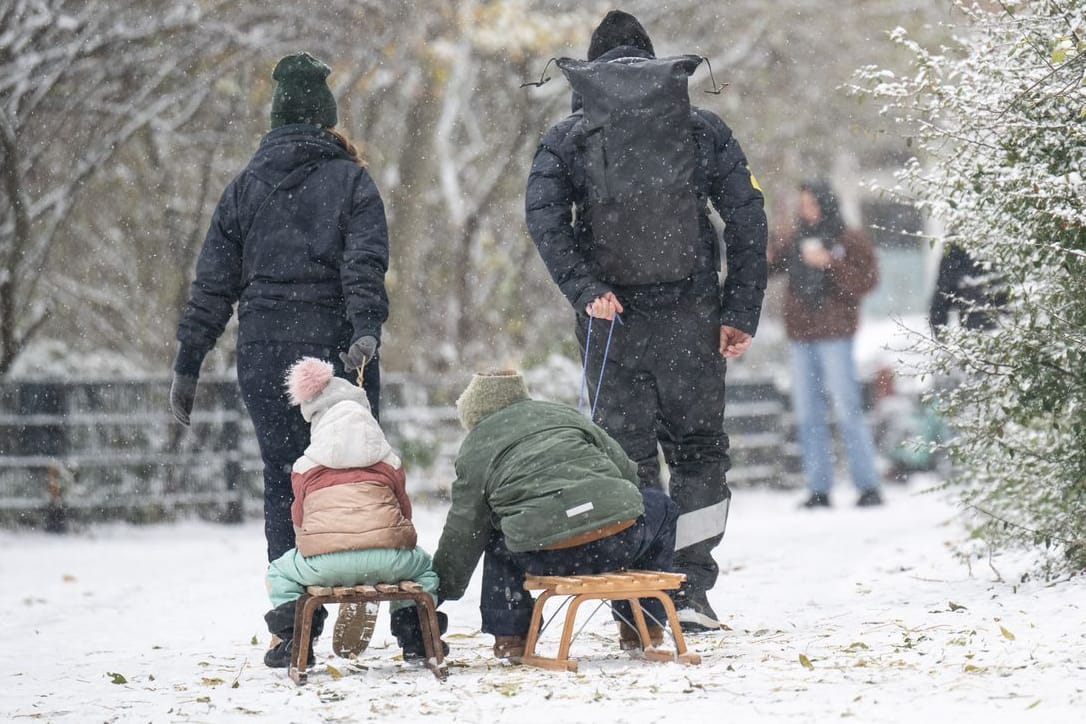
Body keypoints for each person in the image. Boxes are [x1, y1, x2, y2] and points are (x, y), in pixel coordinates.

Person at [524, 10, 767, 633]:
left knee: (623, 457)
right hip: (693, 317)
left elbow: (545, 218)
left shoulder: (568, 136)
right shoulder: (701, 128)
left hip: (613, 321)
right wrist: (738, 310)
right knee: (698, 450)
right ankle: (689, 587)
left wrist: (586, 289)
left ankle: (637, 600)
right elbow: (745, 218)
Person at [168, 51, 389, 563]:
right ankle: (360, 582)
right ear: (326, 118)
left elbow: (213, 286)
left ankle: (290, 624)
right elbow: (365, 264)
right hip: (338, 348)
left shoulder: (244, 189)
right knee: (354, 471)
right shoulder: (353, 182)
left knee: (284, 478)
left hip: (266, 351)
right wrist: (365, 328)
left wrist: (188, 361)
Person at [432, 370, 680, 659]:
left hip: (545, 554)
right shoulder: (561, 414)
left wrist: (441, 588)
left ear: (474, 416)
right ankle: (642, 623)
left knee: (497, 534)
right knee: (662, 507)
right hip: (619, 540)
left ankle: (511, 634)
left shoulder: (475, 446)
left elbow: (465, 530)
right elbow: (628, 472)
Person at [263, 357, 444, 668]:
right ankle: (415, 636)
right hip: (389, 561)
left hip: (325, 564)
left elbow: (299, 521)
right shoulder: (389, 461)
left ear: (318, 422)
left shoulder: (305, 466)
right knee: (426, 569)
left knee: (278, 572)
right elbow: (404, 512)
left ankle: (295, 638)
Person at [767, 180, 883, 508]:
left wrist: (831, 263)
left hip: (836, 335)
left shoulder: (850, 238)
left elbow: (867, 281)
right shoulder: (795, 239)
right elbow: (770, 269)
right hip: (801, 336)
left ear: (827, 204)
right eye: (803, 205)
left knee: (848, 409)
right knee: (807, 413)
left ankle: (867, 485)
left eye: (812, 204)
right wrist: (770, 246)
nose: (807, 212)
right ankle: (819, 488)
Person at [928, 239, 1003, 335]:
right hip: (989, 323)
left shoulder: (955, 246)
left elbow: (942, 294)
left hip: (976, 320)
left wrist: (940, 331)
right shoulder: (992, 241)